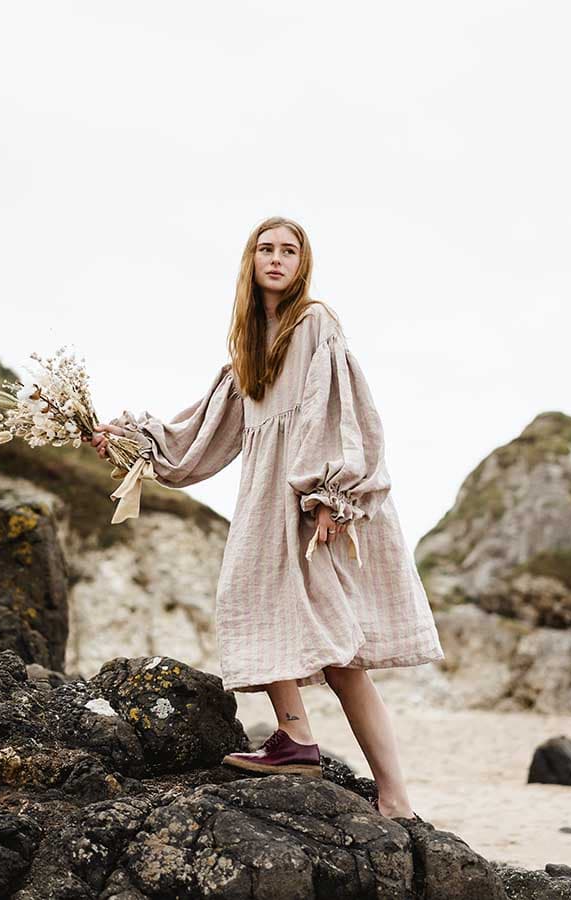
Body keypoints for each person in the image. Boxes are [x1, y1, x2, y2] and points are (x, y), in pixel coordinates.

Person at [87, 215, 444, 820]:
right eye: (265, 249)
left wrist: (330, 496)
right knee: (249, 597)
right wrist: (130, 440)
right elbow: (200, 433)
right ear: (250, 262)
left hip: (314, 505)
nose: (276, 259)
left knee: (340, 656)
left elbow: (341, 411)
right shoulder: (249, 349)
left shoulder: (315, 324)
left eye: (288, 250)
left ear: (302, 263)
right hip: (263, 505)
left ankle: (396, 793)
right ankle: (295, 737)